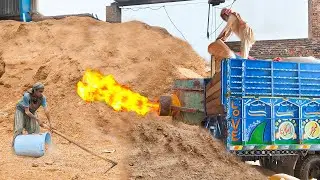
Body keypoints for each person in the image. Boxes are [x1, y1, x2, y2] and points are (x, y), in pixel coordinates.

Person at [12, 82, 52, 146]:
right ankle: (15, 146)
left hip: (32, 112)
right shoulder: (27, 96)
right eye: (40, 91)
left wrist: (50, 123)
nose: (41, 93)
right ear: (35, 90)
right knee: (19, 128)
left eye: (42, 91)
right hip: (21, 110)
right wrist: (37, 119)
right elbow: (27, 112)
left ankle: (33, 146)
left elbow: (46, 110)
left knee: (35, 129)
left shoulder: (42, 98)